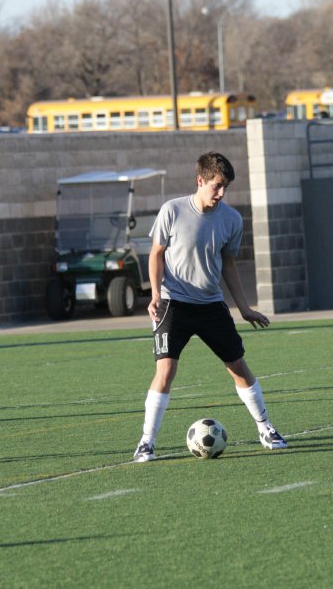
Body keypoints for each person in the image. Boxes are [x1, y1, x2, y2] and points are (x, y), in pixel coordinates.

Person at [133, 152, 287, 462]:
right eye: (216, 186)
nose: (221, 194)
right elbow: (156, 254)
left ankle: (265, 427)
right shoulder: (171, 210)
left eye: (225, 187)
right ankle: (147, 442)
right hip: (173, 303)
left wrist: (243, 308)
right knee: (165, 369)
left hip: (210, 305)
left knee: (238, 366)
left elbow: (228, 264)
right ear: (200, 181)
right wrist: (154, 296)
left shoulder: (231, 219)